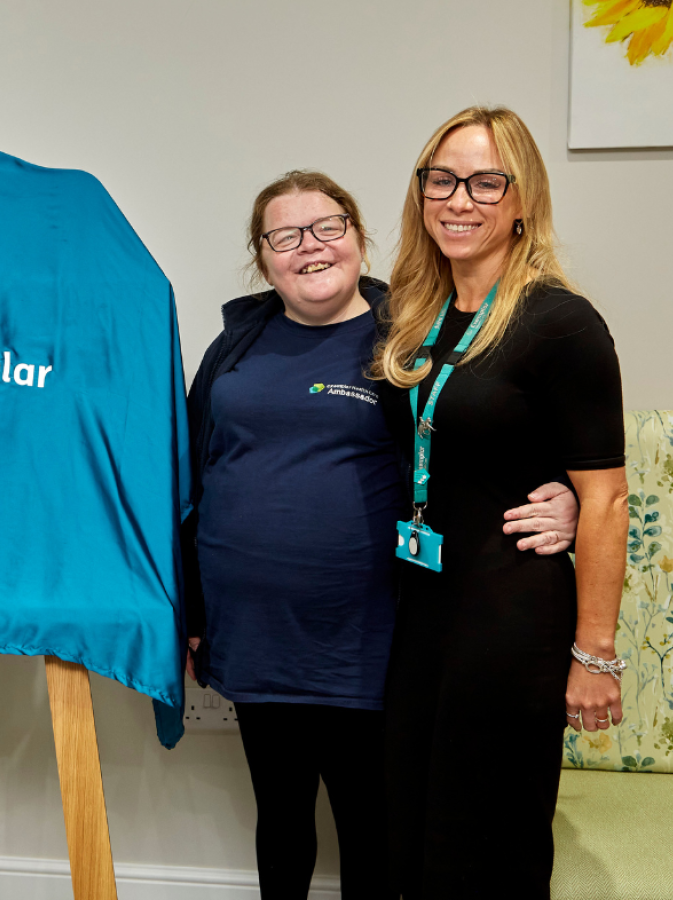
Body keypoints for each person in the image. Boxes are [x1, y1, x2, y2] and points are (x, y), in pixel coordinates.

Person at [182, 170, 580, 900]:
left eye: (329, 227)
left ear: (359, 238)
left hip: (373, 634)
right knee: (280, 819)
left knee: (373, 825)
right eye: (286, 235)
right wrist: (193, 614)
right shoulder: (234, 347)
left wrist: (567, 496)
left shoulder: (411, 337)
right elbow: (189, 480)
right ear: (262, 257)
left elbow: (484, 438)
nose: (311, 247)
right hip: (255, 632)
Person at [372, 107, 628, 898]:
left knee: (489, 834)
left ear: (522, 201)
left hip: (512, 613)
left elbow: (608, 498)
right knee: (413, 823)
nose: (459, 199)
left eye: (487, 182)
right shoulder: (412, 315)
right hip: (424, 605)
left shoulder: (561, 324)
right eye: (441, 180)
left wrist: (594, 655)